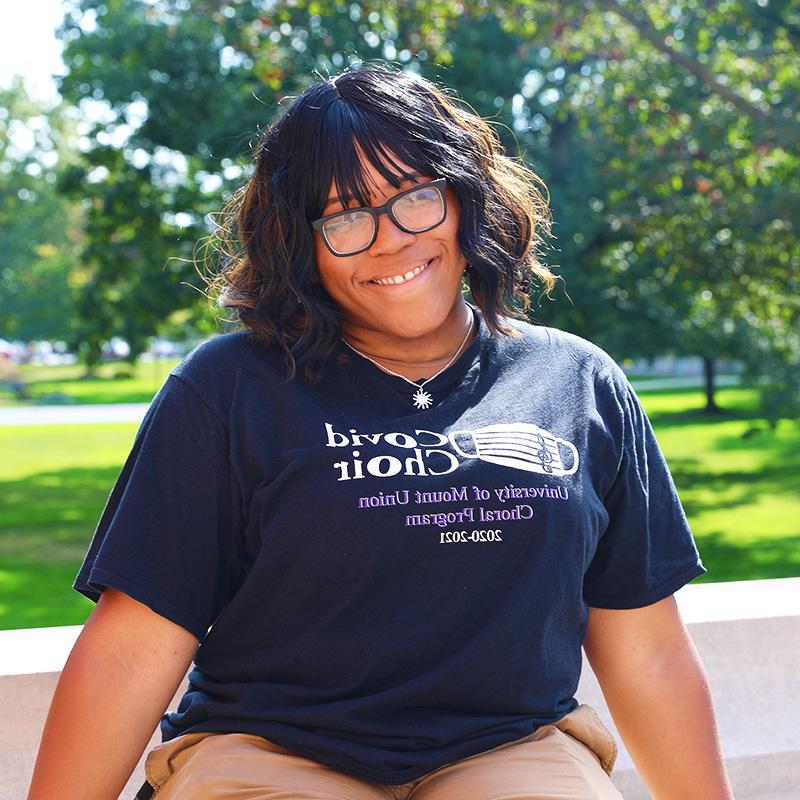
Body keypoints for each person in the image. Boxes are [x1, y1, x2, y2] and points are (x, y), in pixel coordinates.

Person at [28, 66, 735, 800]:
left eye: (416, 199)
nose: (391, 241)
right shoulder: (228, 388)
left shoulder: (576, 382)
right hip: (271, 747)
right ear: (301, 244)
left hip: (508, 747)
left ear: (465, 199)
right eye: (344, 217)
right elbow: (132, 649)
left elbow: (648, 650)